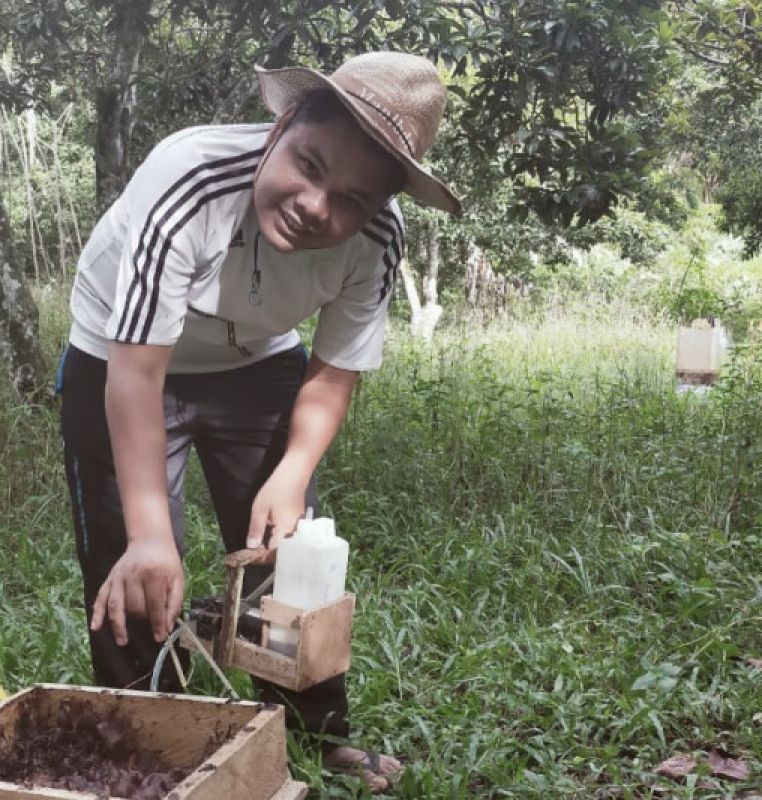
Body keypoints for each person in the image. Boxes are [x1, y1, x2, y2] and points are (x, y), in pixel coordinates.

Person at [59, 51, 461, 792]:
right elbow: (139, 372)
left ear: (376, 208)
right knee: (137, 553)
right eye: (307, 165)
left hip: (255, 360)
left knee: (293, 548)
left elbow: (333, 372)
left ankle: (315, 730)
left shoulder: (377, 239)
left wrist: (292, 473)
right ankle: (150, 738)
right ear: (279, 127)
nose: (317, 205)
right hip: (122, 356)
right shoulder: (190, 175)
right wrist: (152, 534)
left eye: (349, 200)